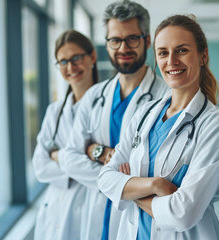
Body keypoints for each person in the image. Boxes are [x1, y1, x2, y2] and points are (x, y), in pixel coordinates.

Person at [98, 15, 219, 239]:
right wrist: (156, 185)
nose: (171, 60)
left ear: (203, 56)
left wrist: (130, 191)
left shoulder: (214, 124)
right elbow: (105, 178)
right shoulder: (145, 114)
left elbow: (183, 213)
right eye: (163, 53)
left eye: (182, 50)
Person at [60, 1, 169, 239]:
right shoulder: (95, 96)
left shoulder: (167, 97)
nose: (123, 47)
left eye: (132, 38)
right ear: (107, 44)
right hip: (98, 216)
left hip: (143, 221)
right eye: (115, 40)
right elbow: (69, 158)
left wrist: (91, 151)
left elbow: (161, 173)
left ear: (147, 41)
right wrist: (102, 155)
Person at [32, 30, 98, 240]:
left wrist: (58, 155)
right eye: (63, 62)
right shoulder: (55, 111)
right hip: (54, 209)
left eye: (76, 58)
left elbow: (108, 170)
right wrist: (81, 160)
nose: (70, 67)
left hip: (89, 207)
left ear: (92, 57)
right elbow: (40, 167)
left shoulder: (106, 107)